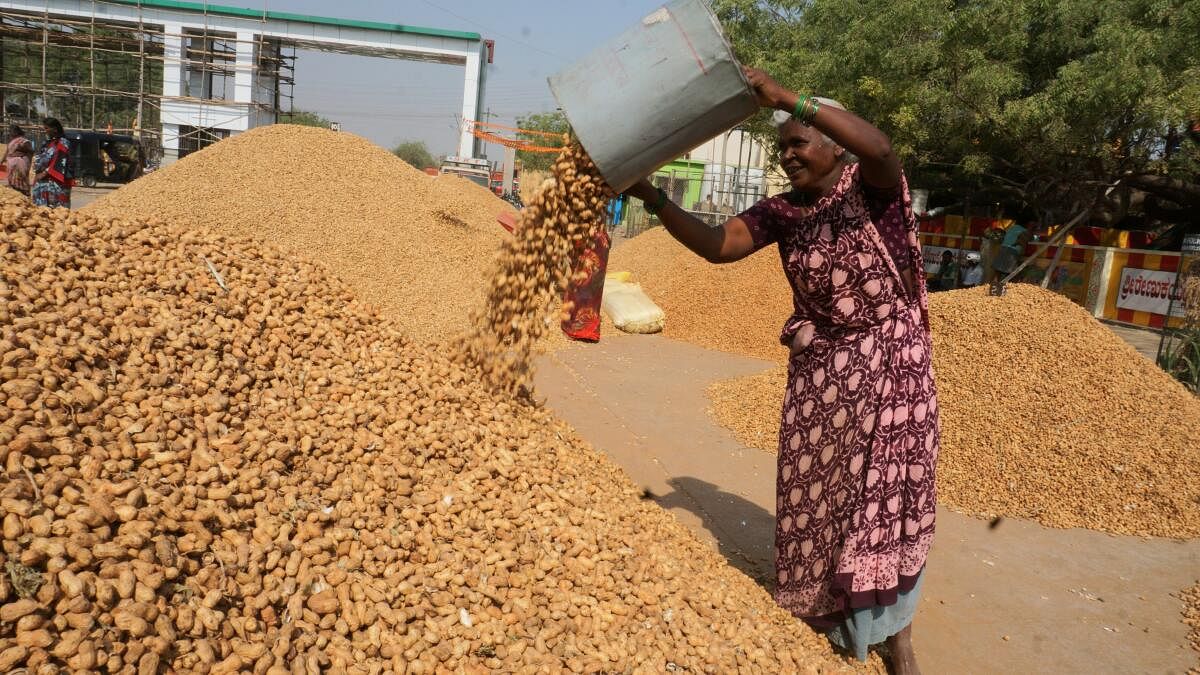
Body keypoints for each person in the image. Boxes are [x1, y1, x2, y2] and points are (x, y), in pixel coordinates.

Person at [625, 67, 938, 673]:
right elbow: (721, 245)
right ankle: (827, 614)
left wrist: (786, 98)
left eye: (799, 141)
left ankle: (896, 638)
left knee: (882, 504)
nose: (788, 155)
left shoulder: (871, 187)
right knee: (819, 499)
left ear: (832, 142)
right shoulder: (784, 212)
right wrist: (656, 198)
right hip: (822, 376)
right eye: (783, 146)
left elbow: (882, 147)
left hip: (890, 370)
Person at [31, 117, 72, 208]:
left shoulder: (63, 143)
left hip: (56, 182)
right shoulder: (47, 143)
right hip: (43, 181)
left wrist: (44, 173)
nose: (45, 130)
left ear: (55, 129)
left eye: (46, 128)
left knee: (57, 212)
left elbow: (60, 161)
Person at [5, 125, 33, 195]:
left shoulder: (24, 141)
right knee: (12, 182)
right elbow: (7, 152)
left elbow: (31, 151)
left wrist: (22, 157)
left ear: (17, 132)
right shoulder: (12, 141)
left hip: (19, 164)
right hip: (11, 165)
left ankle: (24, 194)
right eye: (10, 131)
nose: (10, 133)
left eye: (12, 131)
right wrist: (2, 161)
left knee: (21, 181)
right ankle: (15, 194)